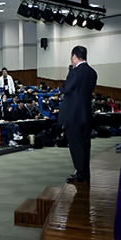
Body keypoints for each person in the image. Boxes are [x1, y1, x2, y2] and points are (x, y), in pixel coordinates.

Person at [59, 46, 97, 183]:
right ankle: (85, 172)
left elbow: (65, 89)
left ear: (74, 56)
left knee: (75, 145)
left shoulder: (75, 72)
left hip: (73, 115)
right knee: (85, 144)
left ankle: (80, 173)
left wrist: (67, 76)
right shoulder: (92, 72)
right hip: (86, 114)